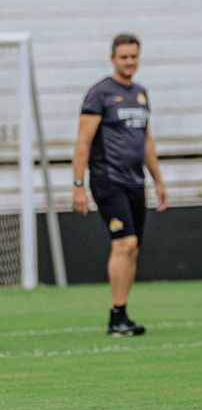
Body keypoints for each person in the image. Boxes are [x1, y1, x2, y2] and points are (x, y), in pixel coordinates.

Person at [71, 33, 168, 337]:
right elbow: (82, 144)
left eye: (133, 57)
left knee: (133, 248)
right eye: (123, 57)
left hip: (135, 182)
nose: (129, 62)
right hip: (107, 179)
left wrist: (158, 181)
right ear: (112, 58)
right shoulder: (99, 94)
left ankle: (122, 313)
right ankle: (115, 317)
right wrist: (78, 185)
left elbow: (147, 142)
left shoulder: (140, 93)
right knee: (123, 243)